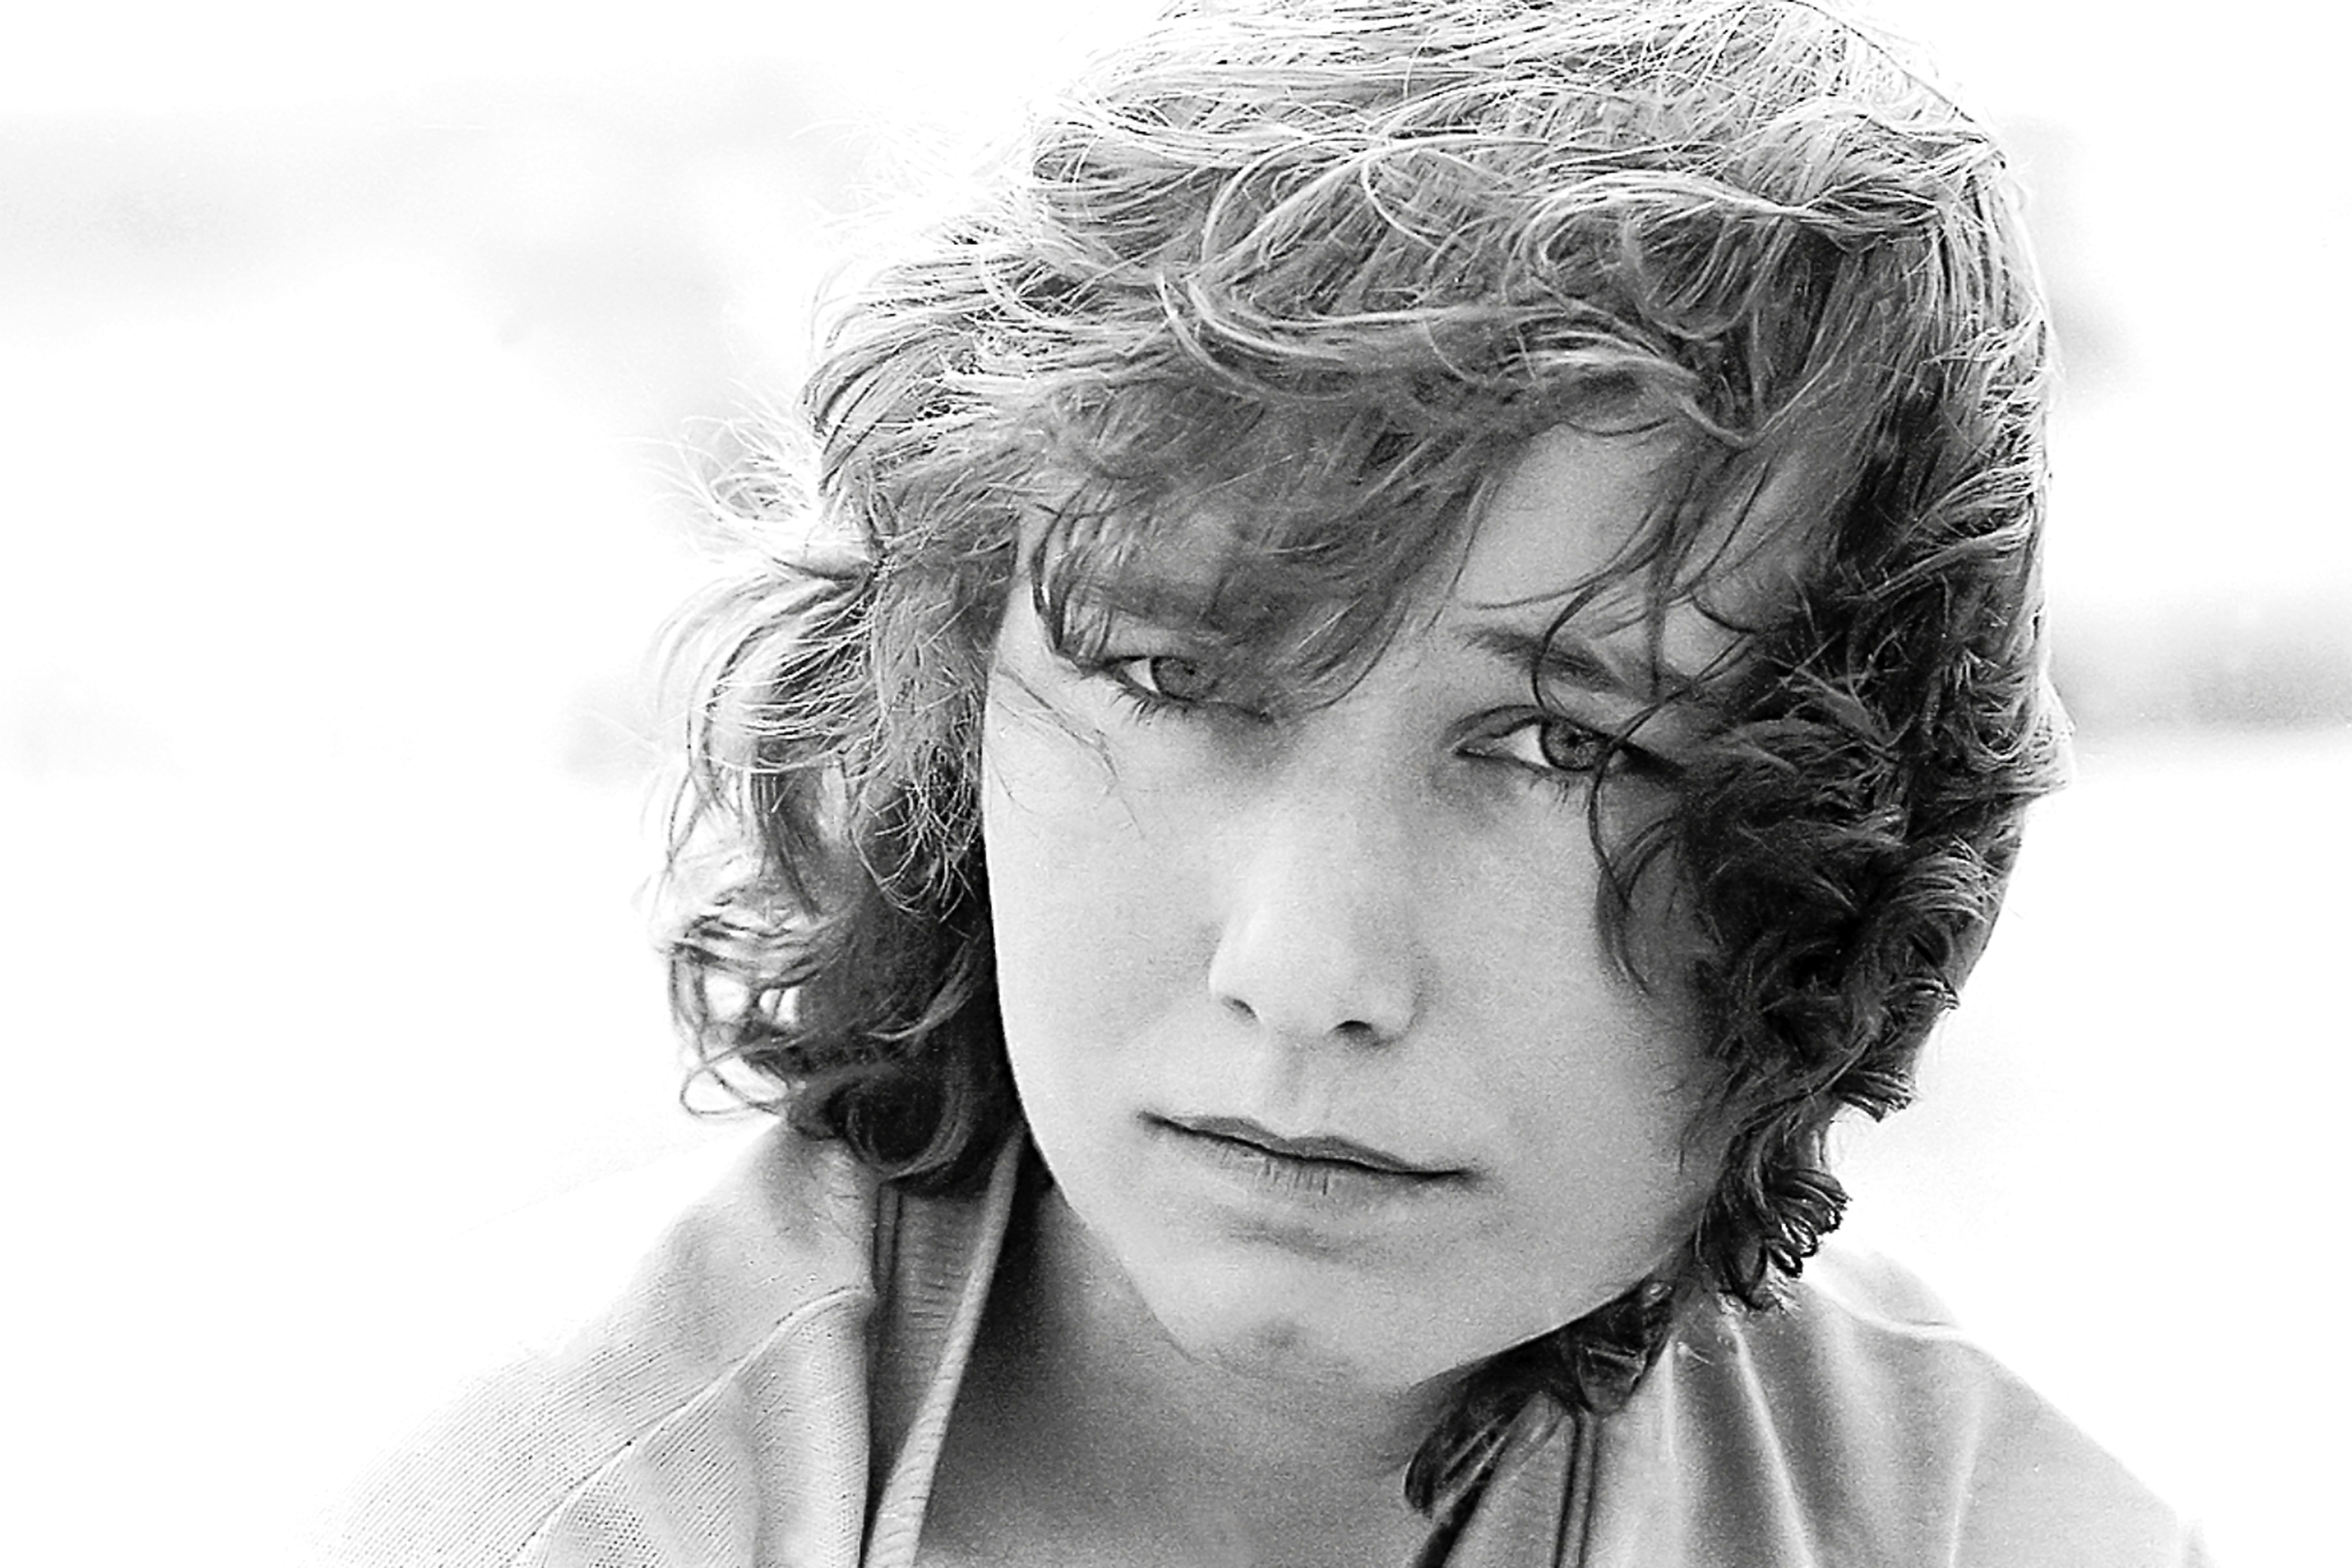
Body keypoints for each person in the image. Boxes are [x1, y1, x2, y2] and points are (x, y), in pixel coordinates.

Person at [323, 1, 2209, 1562]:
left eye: (1567, 745)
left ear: (1867, 858)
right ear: (954, 704)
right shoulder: (563, 1507)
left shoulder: (2005, 1524)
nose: (1305, 970)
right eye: (1171, 678)